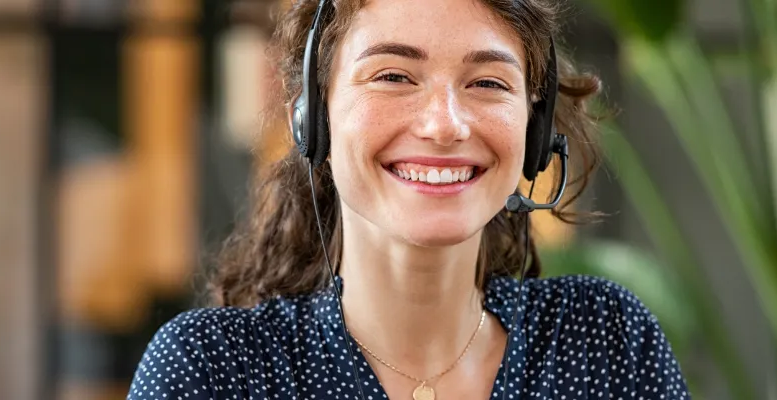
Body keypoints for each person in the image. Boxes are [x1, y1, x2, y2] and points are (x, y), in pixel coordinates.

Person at [127, 0, 691, 398]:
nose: (444, 125)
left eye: (487, 83)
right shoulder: (214, 371)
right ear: (314, 117)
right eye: (394, 76)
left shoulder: (605, 345)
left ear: (535, 130)